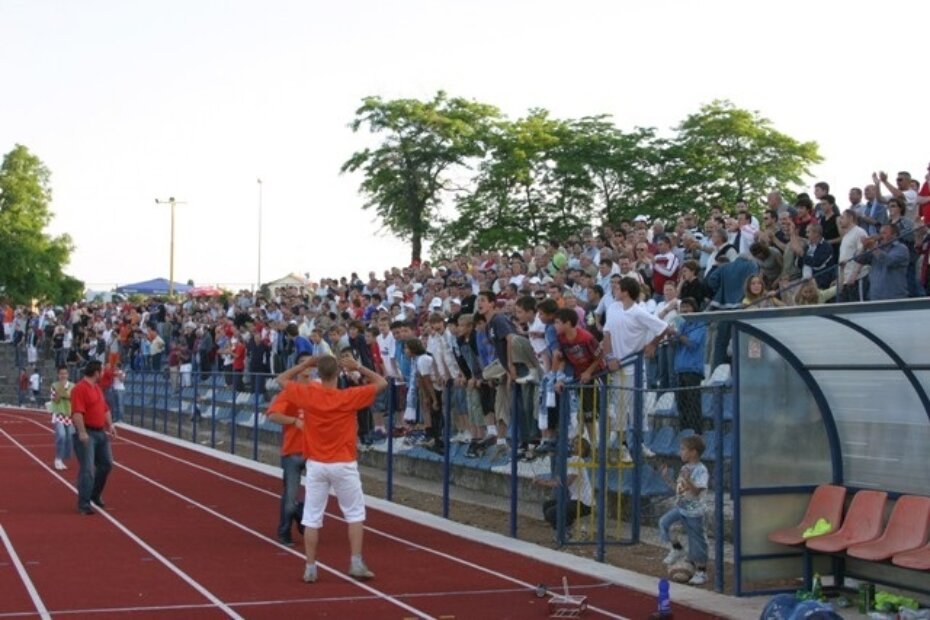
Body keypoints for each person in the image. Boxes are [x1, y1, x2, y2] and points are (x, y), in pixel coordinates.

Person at [275, 354, 387, 584]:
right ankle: (356, 562)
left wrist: (305, 364)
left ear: (318, 373)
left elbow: (281, 379)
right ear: (338, 374)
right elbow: (382, 383)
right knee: (354, 514)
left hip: (317, 463)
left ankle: (310, 567)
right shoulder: (348, 397)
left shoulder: (309, 395)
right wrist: (358, 367)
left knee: (312, 517)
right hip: (343, 463)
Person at [265, 353, 312, 547]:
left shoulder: (318, 390)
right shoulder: (290, 391)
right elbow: (272, 415)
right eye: (303, 364)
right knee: (290, 497)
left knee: (317, 495)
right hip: (293, 451)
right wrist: (294, 421)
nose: (307, 367)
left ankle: (302, 515)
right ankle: (285, 530)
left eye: (310, 364)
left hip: (314, 452)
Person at [659, 434, 709, 587]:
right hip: (681, 508)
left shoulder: (701, 470)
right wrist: (667, 478)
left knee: (697, 541)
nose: (680, 452)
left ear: (693, 452)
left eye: (683, 449)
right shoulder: (684, 468)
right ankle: (677, 549)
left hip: (694, 512)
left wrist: (688, 479)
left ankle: (701, 572)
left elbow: (696, 492)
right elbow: (679, 489)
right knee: (664, 523)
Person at [70, 360, 116, 515]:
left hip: (100, 432)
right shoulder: (79, 389)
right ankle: (84, 503)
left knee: (106, 464)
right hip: (87, 432)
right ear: (96, 373)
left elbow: (105, 408)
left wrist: (110, 425)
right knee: (88, 469)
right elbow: (77, 413)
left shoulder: (97, 388)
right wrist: (82, 432)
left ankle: (94, 494)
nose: (103, 373)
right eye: (101, 371)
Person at [534, 436, 593, 541]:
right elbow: (558, 478)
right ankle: (566, 530)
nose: (573, 445)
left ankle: (566, 533)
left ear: (583, 449)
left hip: (583, 502)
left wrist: (542, 482)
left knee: (552, 512)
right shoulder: (571, 460)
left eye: (577, 444)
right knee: (547, 505)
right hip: (575, 499)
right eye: (573, 443)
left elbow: (566, 482)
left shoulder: (577, 460)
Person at [49, 366, 74, 470]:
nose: (63, 375)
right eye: (61, 374)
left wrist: (66, 394)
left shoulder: (73, 386)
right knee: (61, 436)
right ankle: (58, 459)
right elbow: (55, 400)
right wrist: (62, 391)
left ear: (68, 374)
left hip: (69, 415)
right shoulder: (54, 385)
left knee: (69, 437)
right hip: (58, 414)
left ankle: (63, 458)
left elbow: (73, 397)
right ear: (58, 375)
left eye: (65, 373)